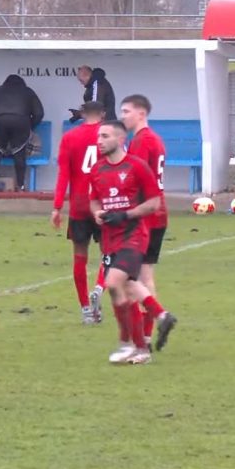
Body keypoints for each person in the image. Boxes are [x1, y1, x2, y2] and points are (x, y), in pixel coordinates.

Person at [89, 121, 162, 365]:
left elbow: (154, 203)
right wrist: (98, 213)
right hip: (110, 239)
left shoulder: (137, 166)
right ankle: (141, 346)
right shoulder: (97, 169)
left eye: (105, 136)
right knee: (123, 289)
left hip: (134, 235)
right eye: (98, 136)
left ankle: (127, 342)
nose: (99, 140)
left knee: (114, 282)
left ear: (120, 140)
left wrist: (126, 214)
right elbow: (95, 201)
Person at [119, 94, 178, 351]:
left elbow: (135, 181)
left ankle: (153, 325)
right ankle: (147, 333)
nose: (123, 117)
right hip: (159, 213)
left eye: (126, 111)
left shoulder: (142, 142)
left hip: (144, 216)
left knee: (127, 277)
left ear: (141, 113)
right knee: (146, 275)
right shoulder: (155, 139)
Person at [51, 101, 106, 325]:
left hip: (79, 205)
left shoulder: (70, 137)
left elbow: (64, 174)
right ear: (103, 114)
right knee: (109, 254)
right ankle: (100, 287)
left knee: (79, 257)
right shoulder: (108, 135)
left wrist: (56, 207)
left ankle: (85, 308)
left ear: (82, 114)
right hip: (104, 204)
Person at [0, 74, 45, 191]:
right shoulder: (28, 91)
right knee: (19, 154)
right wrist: (30, 126)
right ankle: (21, 186)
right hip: (21, 121)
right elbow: (39, 113)